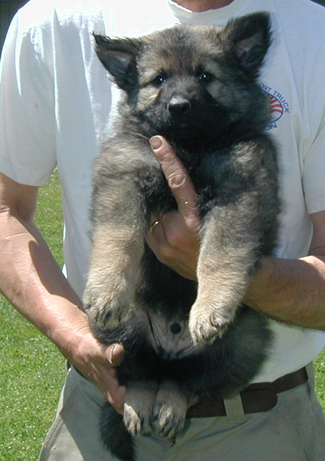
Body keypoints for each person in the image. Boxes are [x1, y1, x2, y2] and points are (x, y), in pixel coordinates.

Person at [0, 0, 325, 459]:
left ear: (245, 60)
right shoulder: (54, 19)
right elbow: (10, 210)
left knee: (240, 323)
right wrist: (82, 329)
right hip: (111, 376)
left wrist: (217, 277)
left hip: (254, 414)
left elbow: (238, 210)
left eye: (206, 78)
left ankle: (179, 390)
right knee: (124, 186)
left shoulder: (313, 34)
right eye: (159, 81)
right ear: (126, 74)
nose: (180, 96)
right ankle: (144, 385)